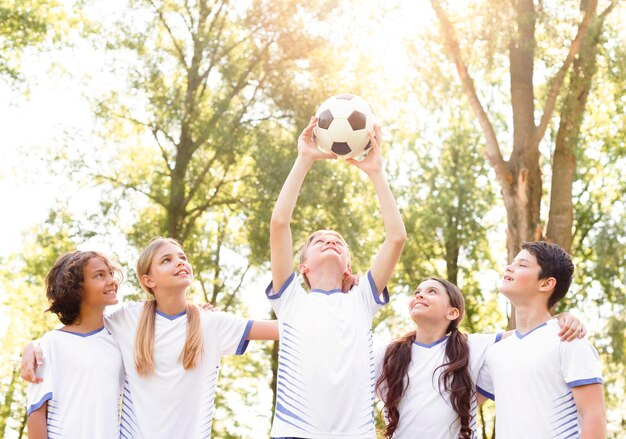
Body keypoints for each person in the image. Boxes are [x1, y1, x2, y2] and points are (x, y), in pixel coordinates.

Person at [23, 237, 278, 438]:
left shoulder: (207, 323)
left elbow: (279, 330)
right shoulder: (119, 323)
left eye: (182, 257)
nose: (111, 280)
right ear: (148, 279)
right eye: (167, 259)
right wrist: (32, 345)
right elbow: (38, 409)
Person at [266, 117, 407, 438]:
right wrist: (303, 159)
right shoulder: (290, 300)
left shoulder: (362, 301)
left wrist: (376, 173)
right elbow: (279, 224)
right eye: (318, 240)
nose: (330, 241)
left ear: (348, 266)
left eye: (338, 242)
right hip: (294, 433)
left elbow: (396, 238)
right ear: (303, 267)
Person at [375, 277, 587, 439]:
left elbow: (531, 332)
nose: (420, 295)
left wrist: (562, 319)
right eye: (417, 292)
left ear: (452, 313)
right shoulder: (388, 354)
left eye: (431, 292)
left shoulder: (472, 347)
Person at [477, 241, 606, 438]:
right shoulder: (496, 352)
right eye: (512, 262)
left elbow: (593, 417)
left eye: (522, 265)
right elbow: (462, 406)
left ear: (546, 283)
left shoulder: (569, 340)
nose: (509, 267)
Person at [26, 251, 124, 439]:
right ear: (76, 287)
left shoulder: (119, 340)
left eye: (110, 273)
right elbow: (36, 412)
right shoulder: (50, 344)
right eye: (100, 275)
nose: (111, 280)